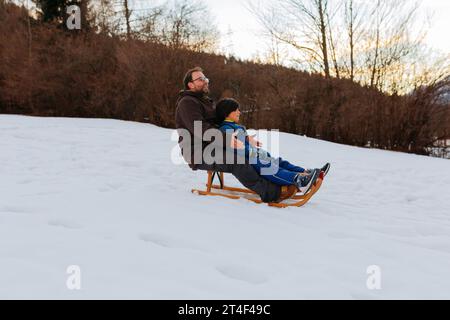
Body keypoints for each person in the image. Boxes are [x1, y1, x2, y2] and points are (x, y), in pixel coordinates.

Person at [175, 67, 298, 203]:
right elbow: (201, 129)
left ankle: (283, 179)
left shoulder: (205, 102)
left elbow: (221, 125)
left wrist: (244, 138)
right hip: (199, 152)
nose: (205, 81)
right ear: (190, 84)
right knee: (239, 161)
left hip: (214, 145)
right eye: (201, 79)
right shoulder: (187, 103)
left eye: (206, 79)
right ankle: (272, 192)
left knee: (251, 155)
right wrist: (226, 139)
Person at [216, 98, 322, 194]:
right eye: (236, 110)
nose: (239, 112)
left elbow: (244, 142)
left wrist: (255, 147)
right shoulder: (225, 128)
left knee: (280, 162)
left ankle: (304, 173)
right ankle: (298, 180)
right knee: (270, 168)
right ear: (227, 112)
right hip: (248, 159)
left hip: (255, 154)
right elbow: (236, 148)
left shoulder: (235, 126)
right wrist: (254, 152)